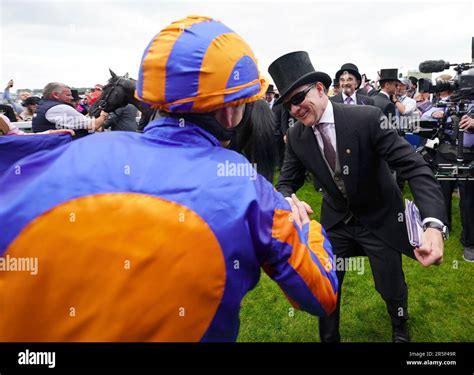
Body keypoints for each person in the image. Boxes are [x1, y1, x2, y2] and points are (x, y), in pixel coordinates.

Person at [0, 15, 338, 342]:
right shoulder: (253, 194)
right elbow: (320, 295)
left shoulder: (45, 160)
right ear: (230, 110)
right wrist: (308, 230)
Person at [268, 51, 448, 343]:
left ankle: (399, 326)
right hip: (337, 222)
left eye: (299, 98)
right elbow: (286, 181)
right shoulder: (298, 138)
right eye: (288, 105)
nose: (295, 109)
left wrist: (433, 224)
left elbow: (414, 166)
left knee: (390, 286)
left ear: (319, 88)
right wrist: (286, 198)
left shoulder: (367, 118)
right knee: (327, 284)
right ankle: (329, 338)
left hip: (380, 218)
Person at [32, 82, 108, 138]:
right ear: (55, 95)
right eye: (68, 95)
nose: (71, 98)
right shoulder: (60, 108)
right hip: (69, 149)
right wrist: (104, 114)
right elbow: (92, 126)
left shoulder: (43, 105)